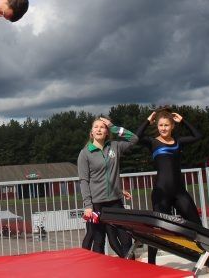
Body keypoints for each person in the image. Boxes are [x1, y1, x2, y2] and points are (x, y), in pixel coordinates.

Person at [135, 109, 202, 264]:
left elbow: (198, 136)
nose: (163, 128)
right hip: (161, 193)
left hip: (179, 192)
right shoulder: (153, 142)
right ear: (157, 126)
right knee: (157, 230)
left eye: (166, 125)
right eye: (160, 125)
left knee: (196, 226)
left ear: (172, 126)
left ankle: (205, 259)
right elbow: (136, 137)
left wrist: (184, 121)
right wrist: (147, 120)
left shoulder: (179, 142)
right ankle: (151, 264)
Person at [77, 116, 138, 258]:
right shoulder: (85, 153)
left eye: (102, 127)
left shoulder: (115, 146)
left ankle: (130, 269)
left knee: (126, 238)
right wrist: (88, 205)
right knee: (99, 240)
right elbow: (84, 181)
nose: (99, 129)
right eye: (96, 127)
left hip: (115, 201)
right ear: (91, 132)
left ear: (107, 132)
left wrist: (114, 127)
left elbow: (134, 138)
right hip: (97, 204)